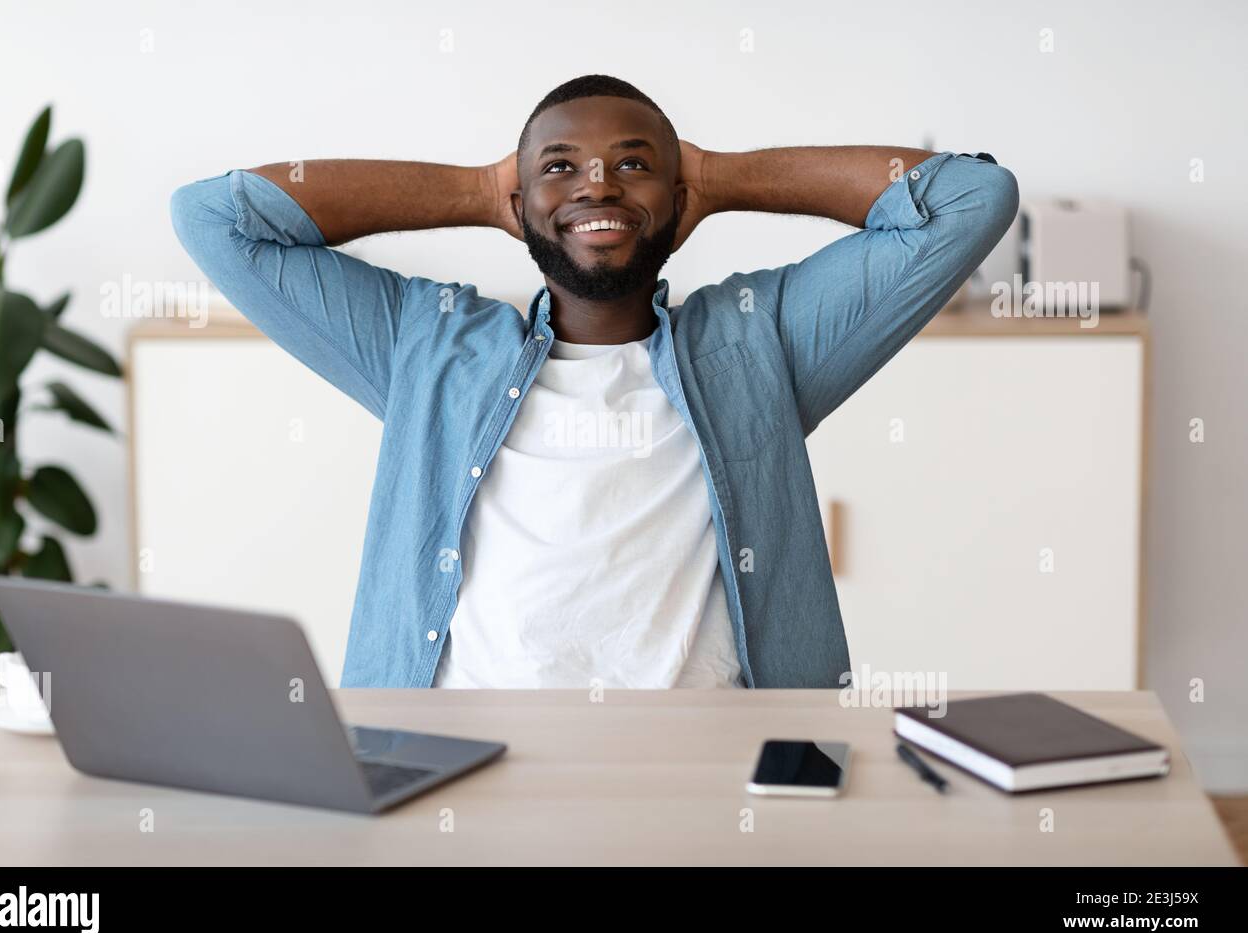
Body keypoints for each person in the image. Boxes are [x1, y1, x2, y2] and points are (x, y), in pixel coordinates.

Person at [170, 73, 1018, 690]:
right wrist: (473, 190)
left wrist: (717, 177)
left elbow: (970, 198)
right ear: (520, 198)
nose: (599, 183)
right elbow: (216, 218)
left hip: (706, 775)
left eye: (634, 164)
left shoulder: (762, 341)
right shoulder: (426, 347)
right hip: (458, 766)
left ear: (677, 193)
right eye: (560, 167)